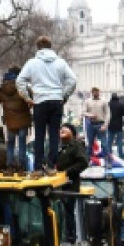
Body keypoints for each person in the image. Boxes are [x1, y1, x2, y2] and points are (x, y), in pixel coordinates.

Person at [17, 35, 77, 175]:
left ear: (38, 48)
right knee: (54, 135)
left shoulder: (32, 63)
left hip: (40, 101)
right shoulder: (60, 62)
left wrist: (27, 98)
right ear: (51, 47)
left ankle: (38, 168)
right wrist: (64, 95)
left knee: (39, 135)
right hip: (56, 100)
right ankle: (50, 165)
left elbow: (20, 81)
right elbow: (72, 80)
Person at [0, 66, 33, 174]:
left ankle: (9, 167)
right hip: (23, 119)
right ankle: (21, 168)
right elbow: (31, 98)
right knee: (22, 143)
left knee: (10, 144)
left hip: (10, 121)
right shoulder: (23, 86)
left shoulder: (2, 88)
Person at [56, 124, 89, 244]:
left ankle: (70, 238)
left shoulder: (76, 146)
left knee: (67, 212)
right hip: (55, 185)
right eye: (61, 128)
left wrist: (66, 172)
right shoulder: (56, 146)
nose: (62, 130)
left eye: (66, 128)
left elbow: (83, 162)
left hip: (69, 185)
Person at [83, 87, 108, 156]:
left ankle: (107, 161)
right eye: (94, 91)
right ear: (92, 92)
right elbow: (83, 112)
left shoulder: (104, 101)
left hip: (100, 124)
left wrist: (105, 125)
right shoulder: (87, 101)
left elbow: (107, 114)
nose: (95, 93)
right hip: (91, 124)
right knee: (89, 144)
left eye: (97, 91)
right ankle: (88, 161)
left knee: (104, 144)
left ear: (99, 92)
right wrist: (90, 115)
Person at [107, 92, 124, 160]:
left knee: (109, 141)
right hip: (119, 126)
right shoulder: (121, 104)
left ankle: (109, 154)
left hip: (110, 125)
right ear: (117, 97)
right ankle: (120, 155)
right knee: (119, 141)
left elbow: (104, 113)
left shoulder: (108, 104)